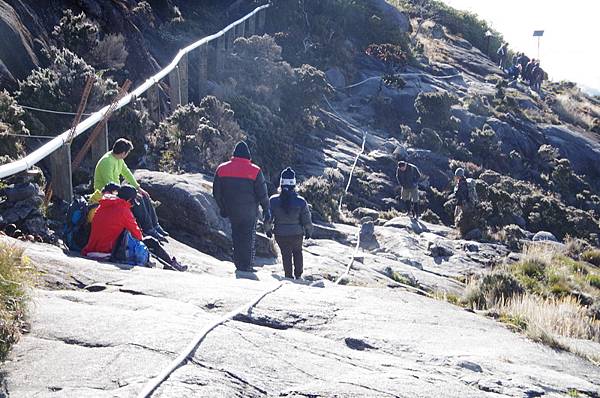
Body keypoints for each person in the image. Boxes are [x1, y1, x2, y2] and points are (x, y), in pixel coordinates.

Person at [82, 185, 187, 271]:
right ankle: (171, 264)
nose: (132, 205)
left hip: (91, 249)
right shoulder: (124, 210)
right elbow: (138, 236)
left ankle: (168, 263)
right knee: (151, 241)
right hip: (108, 251)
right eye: (132, 202)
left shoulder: (103, 205)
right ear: (129, 200)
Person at [93, 138, 168, 240]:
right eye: (127, 152)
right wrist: (131, 194)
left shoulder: (118, 159)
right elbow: (109, 185)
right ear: (123, 153)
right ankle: (148, 229)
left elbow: (127, 173)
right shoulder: (107, 161)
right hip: (107, 195)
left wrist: (138, 188)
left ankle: (155, 225)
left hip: (116, 191)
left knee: (143, 195)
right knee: (138, 200)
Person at [213, 141, 271, 272]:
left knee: (236, 236)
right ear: (248, 156)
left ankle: (238, 264)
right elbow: (262, 193)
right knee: (248, 238)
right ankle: (247, 266)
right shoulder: (255, 170)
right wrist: (267, 209)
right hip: (250, 212)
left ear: (234, 154)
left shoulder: (222, 169)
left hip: (232, 211)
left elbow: (216, 192)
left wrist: (223, 208)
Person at [265, 167, 313, 280]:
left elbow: (268, 217)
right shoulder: (301, 201)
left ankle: (288, 275)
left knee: (286, 254)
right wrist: (308, 231)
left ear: (281, 184)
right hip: (297, 233)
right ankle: (298, 275)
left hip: (280, 234)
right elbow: (306, 219)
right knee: (297, 252)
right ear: (294, 184)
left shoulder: (273, 200)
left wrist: (267, 230)